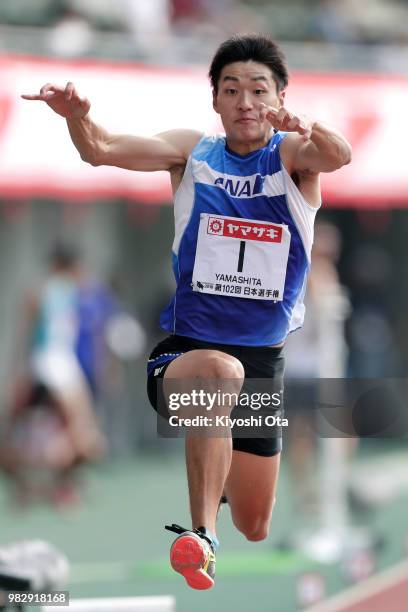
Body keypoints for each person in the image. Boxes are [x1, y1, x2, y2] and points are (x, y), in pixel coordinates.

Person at [22, 34, 351, 589]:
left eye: (257, 90)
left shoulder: (294, 158)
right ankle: (201, 538)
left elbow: (340, 155)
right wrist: (77, 117)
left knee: (255, 523)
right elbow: (100, 149)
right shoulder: (192, 153)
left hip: (263, 360)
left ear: (278, 97)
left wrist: (304, 124)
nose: (245, 101)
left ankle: (217, 470)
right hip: (186, 355)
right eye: (231, 90)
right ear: (215, 101)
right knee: (220, 373)